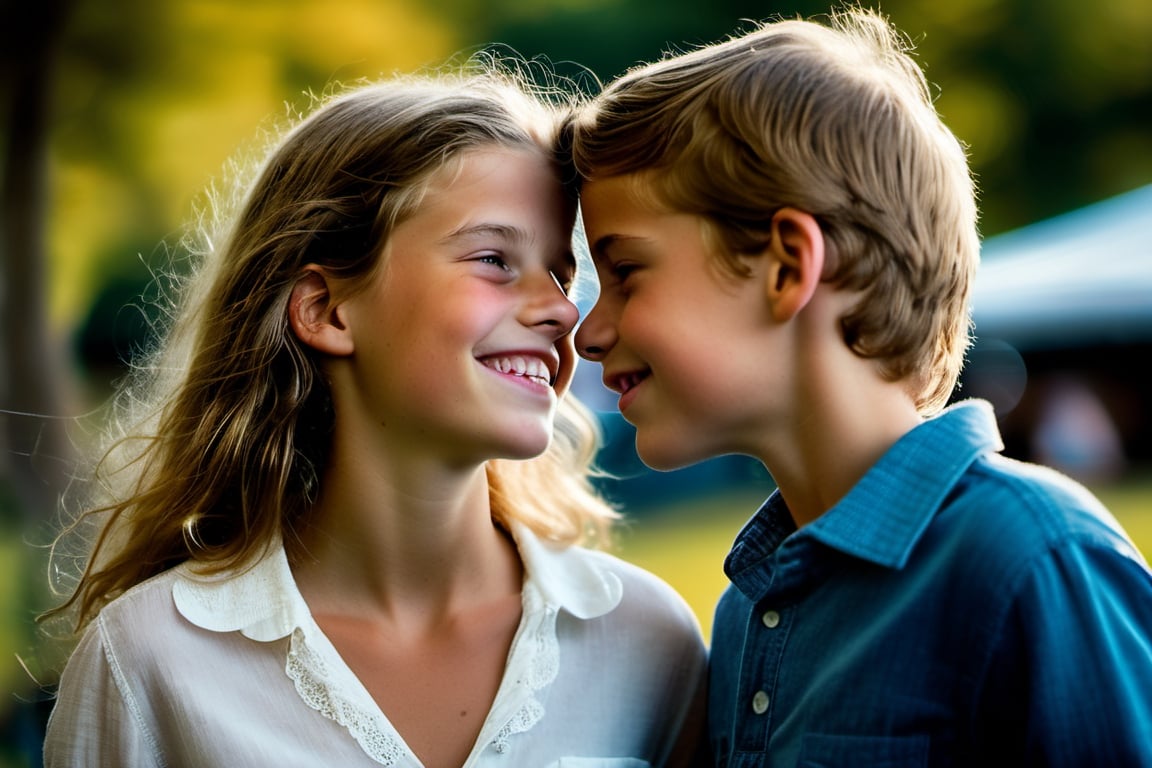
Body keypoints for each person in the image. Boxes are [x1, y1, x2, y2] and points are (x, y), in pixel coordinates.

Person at [39, 56, 709, 768]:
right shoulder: (146, 661)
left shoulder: (647, 642)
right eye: (493, 259)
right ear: (326, 310)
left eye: (561, 274)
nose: (557, 309)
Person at [561, 6, 1152, 766]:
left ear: (785, 266)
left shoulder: (1029, 555)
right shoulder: (748, 609)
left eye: (625, 273)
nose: (588, 332)